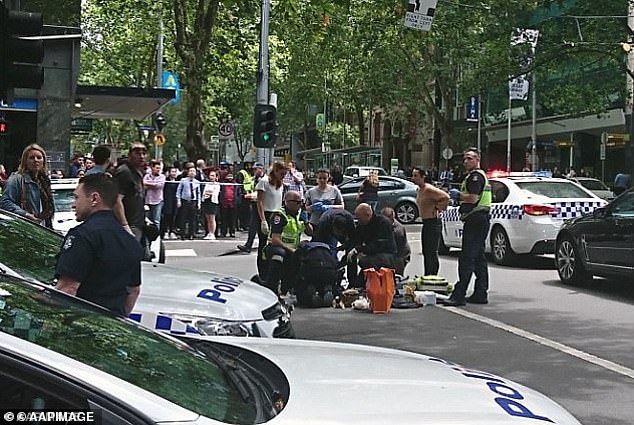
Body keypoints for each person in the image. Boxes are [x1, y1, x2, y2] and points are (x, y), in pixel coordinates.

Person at [54, 173, 144, 317]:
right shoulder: (129, 240)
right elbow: (134, 291)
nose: (73, 204)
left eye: (77, 197)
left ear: (94, 198)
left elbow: (68, 289)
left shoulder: (82, 236)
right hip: (113, 328)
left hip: (80, 323)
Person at [441, 147, 491, 307]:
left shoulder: (475, 177)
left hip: (476, 220)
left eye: (469, 158)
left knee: (467, 258)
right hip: (478, 220)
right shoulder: (474, 176)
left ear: (477, 160)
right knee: (479, 258)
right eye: (464, 158)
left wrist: (459, 196)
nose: (466, 161)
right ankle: (480, 292)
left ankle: (459, 294)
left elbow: (473, 198)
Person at [257, 190, 308, 294]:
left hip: (292, 249)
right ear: (288, 202)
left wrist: (306, 221)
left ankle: (291, 287)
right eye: (297, 202)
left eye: (301, 202)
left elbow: (311, 233)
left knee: (306, 252)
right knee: (279, 254)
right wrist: (292, 250)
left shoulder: (299, 215)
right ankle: (271, 286)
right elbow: (275, 239)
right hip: (275, 247)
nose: (300, 205)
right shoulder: (279, 215)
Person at [0, 143, 55, 228]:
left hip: (44, 228)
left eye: (39, 157)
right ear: (25, 161)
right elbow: (5, 202)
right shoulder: (16, 179)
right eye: (31, 158)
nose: (36, 160)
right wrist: (26, 215)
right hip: (25, 229)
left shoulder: (45, 180)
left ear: (44, 161)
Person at [346, 203, 397, 288]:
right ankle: (353, 284)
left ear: (368, 215)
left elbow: (379, 244)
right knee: (354, 259)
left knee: (365, 261)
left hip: (386, 254)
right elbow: (355, 240)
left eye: (360, 218)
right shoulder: (363, 225)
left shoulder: (383, 223)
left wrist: (360, 249)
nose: (359, 221)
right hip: (372, 254)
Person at [411, 166, 449, 276]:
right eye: (413, 175)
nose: (413, 178)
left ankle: (433, 275)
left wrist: (438, 208)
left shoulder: (429, 189)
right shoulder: (419, 190)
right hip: (425, 222)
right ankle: (427, 274)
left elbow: (445, 197)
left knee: (432, 252)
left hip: (433, 222)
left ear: (423, 177)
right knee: (426, 251)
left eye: (416, 176)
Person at [254, 162, 287, 274]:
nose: (283, 176)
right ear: (276, 171)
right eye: (282, 174)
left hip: (276, 214)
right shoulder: (264, 181)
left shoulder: (280, 183)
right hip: (266, 214)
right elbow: (259, 202)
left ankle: (272, 271)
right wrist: (263, 220)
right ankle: (262, 272)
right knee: (263, 245)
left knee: (275, 244)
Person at [113, 143, 148, 245]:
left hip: (138, 223)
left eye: (144, 153)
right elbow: (116, 200)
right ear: (129, 155)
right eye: (137, 153)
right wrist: (125, 225)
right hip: (129, 225)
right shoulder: (124, 172)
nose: (141, 156)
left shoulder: (138, 172)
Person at [305, 168, 344, 235]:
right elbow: (305, 209)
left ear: (328, 178)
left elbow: (342, 207)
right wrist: (312, 207)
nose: (322, 180)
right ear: (316, 178)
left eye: (324, 178)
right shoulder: (311, 192)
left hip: (331, 224)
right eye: (320, 178)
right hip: (315, 224)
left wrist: (329, 207)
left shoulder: (334, 190)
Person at [237, 162, 265, 253]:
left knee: (263, 227)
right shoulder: (253, 179)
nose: (254, 171)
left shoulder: (265, 179)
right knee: (252, 226)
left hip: (263, 205)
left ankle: (264, 245)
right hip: (254, 204)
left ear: (261, 169)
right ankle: (248, 245)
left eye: (256, 169)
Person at [380, 207, 411, 277]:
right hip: (390, 252)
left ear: (391, 218)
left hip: (400, 254)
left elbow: (397, 249)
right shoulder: (383, 224)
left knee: (397, 269)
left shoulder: (398, 231)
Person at [176, 164, 202, 240]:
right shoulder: (183, 180)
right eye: (190, 171)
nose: (192, 172)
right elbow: (178, 191)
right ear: (188, 172)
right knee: (183, 218)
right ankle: (182, 234)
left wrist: (199, 203)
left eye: (193, 171)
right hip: (184, 201)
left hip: (193, 201)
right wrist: (178, 201)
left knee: (192, 219)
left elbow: (198, 193)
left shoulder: (197, 182)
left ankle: (191, 234)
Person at [143, 160, 165, 227]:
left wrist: (148, 184)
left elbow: (159, 186)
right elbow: (143, 184)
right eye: (157, 168)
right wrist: (152, 184)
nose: (158, 170)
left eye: (159, 168)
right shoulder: (147, 176)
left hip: (157, 200)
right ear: (152, 168)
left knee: (156, 220)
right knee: (147, 219)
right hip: (148, 200)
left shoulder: (162, 177)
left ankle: (157, 236)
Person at [219, 172, 240, 238]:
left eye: (231, 176)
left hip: (233, 204)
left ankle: (232, 232)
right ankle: (223, 232)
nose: (230, 178)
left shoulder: (236, 185)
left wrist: (237, 201)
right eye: (228, 176)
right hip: (224, 204)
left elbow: (238, 194)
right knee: (224, 219)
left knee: (232, 219)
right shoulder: (223, 184)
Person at [202, 169, 220, 240]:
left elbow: (214, 193)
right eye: (210, 175)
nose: (211, 177)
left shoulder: (217, 184)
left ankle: (212, 233)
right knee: (208, 219)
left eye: (213, 176)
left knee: (212, 219)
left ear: (216, 177)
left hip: (213, 202)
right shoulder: (207, 184)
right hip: (206, 201)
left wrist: (209, 193)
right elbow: (205, 192)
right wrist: (207, 193)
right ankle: (209, 232)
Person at [162, 167, 179, 239]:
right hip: (167, 200)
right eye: (172, 172)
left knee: (173, 216)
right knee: (167, 216)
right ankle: (166, 231)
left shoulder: (178, 181)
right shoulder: (166, 181)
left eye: (175, 172)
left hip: (175, 200)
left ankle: (172, 231)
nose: (174, 173)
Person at [236, 161, 255, 231]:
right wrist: (243, 192)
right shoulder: (242, 172)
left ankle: (247, 225)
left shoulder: (250, 173)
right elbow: (240, 183)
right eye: (250, 165)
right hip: (244, 195)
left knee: (249, 211)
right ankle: (242, 225)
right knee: (243, 211)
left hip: (250, 194)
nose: (252, 167)